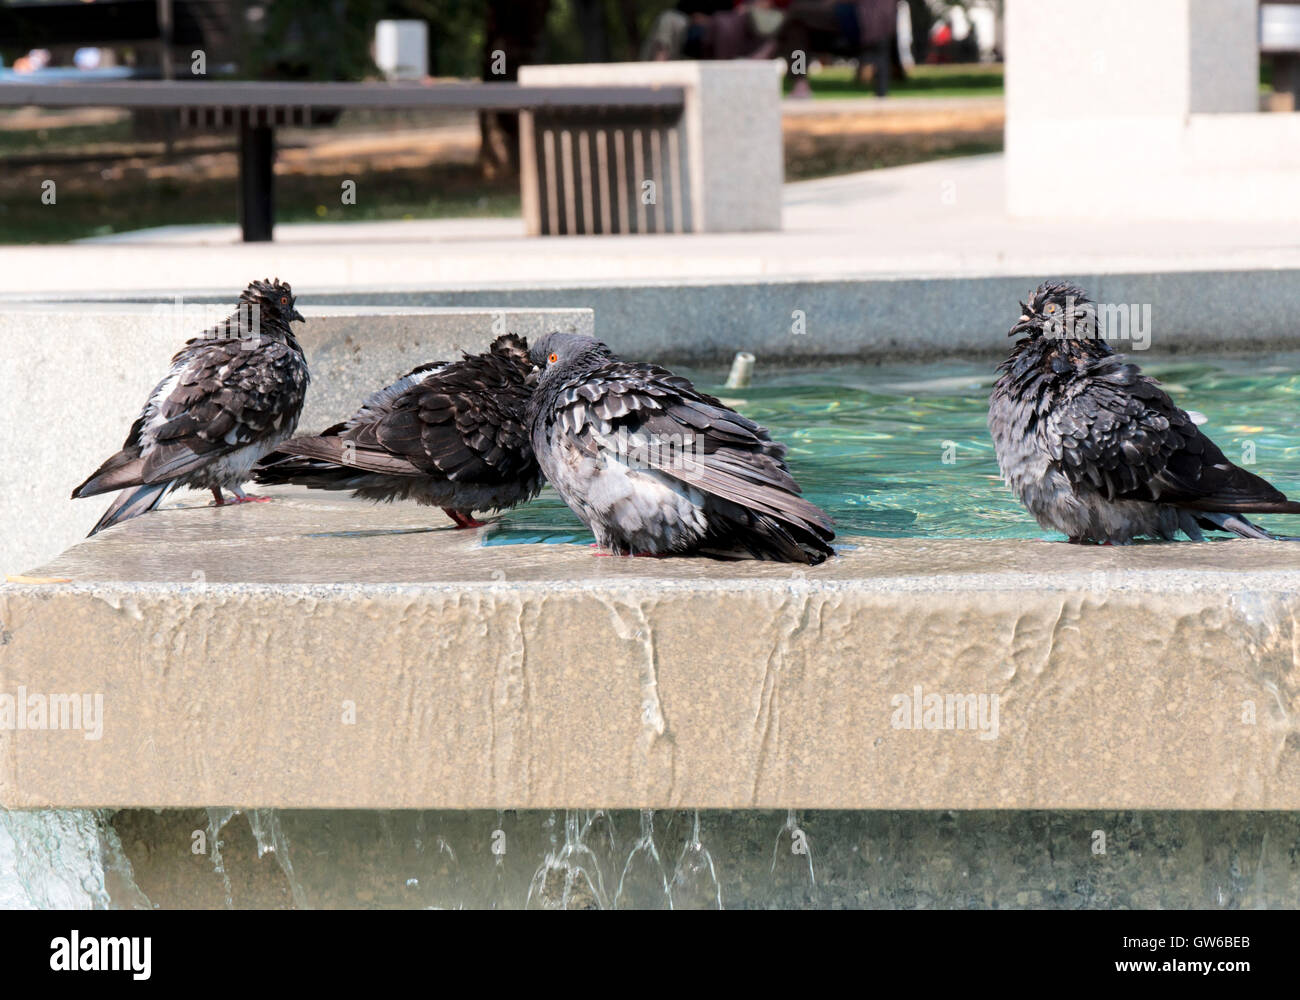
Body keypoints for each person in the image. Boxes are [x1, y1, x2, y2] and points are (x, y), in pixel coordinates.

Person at [773, 0, 896, 97]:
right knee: (796, 30)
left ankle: (770, 49)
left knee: (796, 12)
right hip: (864, 19)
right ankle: (799, 82)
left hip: (862, 18)